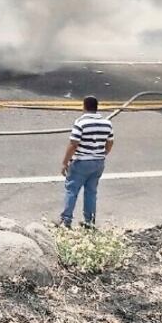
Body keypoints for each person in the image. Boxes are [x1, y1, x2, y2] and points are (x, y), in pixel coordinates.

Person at [59, 96, 113, 228]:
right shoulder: (107, 123)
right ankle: (89, 221)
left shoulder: (80, 123)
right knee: (91, 192)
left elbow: (73, 144)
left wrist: (65, 162)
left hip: (81, 162)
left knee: (72, 190)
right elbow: (110, 142)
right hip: (98, 162)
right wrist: (103, 153)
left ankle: (66, 220)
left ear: (84, 106)